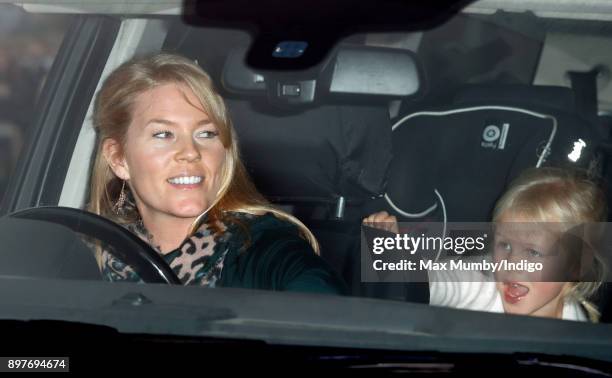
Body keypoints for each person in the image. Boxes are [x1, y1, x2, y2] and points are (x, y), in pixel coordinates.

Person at [87, 53, 346, 294]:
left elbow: (314, 290)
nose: (191, 152)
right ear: (118, 158)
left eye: (206, 133)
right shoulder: (90, 250)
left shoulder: (257, 245)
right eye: (164, 134)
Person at [364, 167, 608, 322]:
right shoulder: (481, 284)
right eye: (505, 245)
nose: (512, 264)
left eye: (533, 252)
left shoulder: (576, 321)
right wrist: (396, 257)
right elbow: (440, 281)